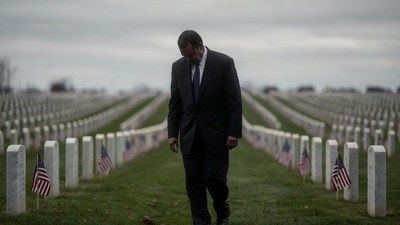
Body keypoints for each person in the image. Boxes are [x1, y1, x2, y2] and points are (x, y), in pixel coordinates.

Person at [167, 30, 242, 225]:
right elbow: (175, 103)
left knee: (214, 178)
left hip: (216, 135)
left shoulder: (224, 63)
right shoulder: (178, 67)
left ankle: (222, 212)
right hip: (190, 135)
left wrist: (233, 132)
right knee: (193, 183)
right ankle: (201, 222)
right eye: (185, 56)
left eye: (191, 55)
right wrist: (172, 134)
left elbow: (234, 100)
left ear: (200, 46)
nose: (188, 59)